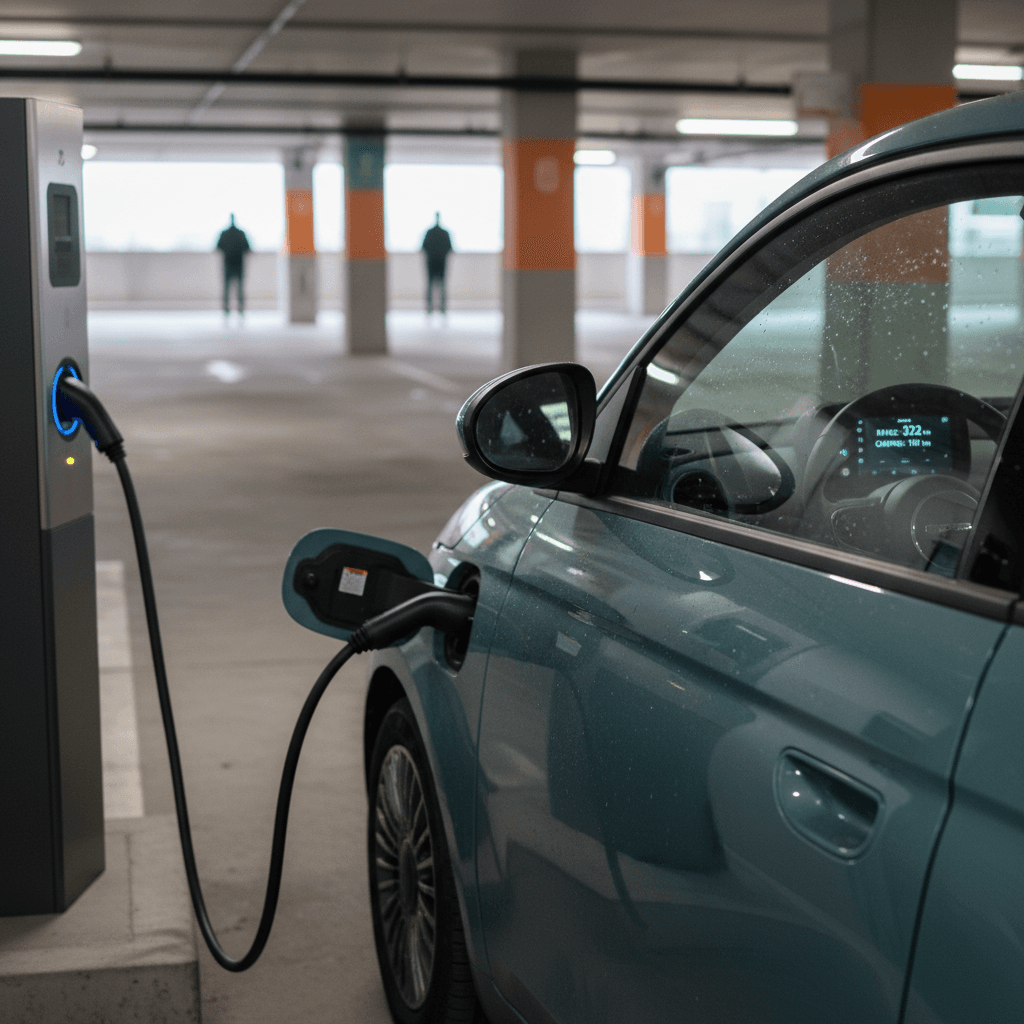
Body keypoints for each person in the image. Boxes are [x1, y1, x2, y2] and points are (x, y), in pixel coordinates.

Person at [216, 214, 251, 316]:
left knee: (229, 289)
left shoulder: (225, 233)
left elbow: (218, 247)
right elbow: (247, 248)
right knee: (238, 288)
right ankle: (239, 309)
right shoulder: (240, 233)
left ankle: (229, 309)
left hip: (229, 263)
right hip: (237, 264)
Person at [421, 212, 453, 314]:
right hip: (439, 262)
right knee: (438, 286)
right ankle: (438, 308)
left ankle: (433, 307)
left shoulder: (431, 232)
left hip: (433, 262)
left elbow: (423, 247)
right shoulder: (442, 233)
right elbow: (450, 248)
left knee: (434, 286)